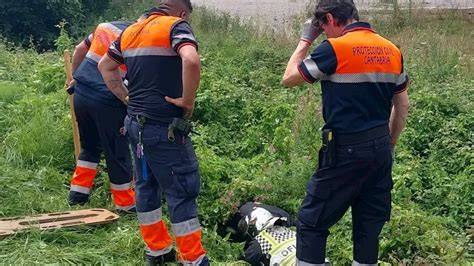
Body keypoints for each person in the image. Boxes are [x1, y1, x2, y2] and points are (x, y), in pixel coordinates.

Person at [282, 0, 410, 265]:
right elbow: (402, 105)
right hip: (380, 149)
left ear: (329, 18)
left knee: (312, 221)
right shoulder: (391, 49)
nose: (324, 32)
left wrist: (306, 40)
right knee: (368, 226)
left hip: (345, 150)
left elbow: (289, 78)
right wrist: (390, 144)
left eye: (323, 26)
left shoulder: (334, 48)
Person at [98, 1, 208, 265]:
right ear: (182, 13)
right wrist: (188, 102)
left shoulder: (131, 31)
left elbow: (105, 66)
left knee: (146, 186)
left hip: (136, 126)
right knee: (181, 190)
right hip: (165, 129)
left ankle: (157, 251)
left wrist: (126, 98)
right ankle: (192, 259)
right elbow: (191, 60)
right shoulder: (175, 26)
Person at [68, 20, 136, 213]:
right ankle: (126, 205)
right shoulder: (139, 37)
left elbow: (79, 49)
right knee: (117, 152)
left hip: (81, 92)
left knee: (89, 147)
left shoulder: (106, 26)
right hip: (107, 100)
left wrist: (75, 77)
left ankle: (78, 195)